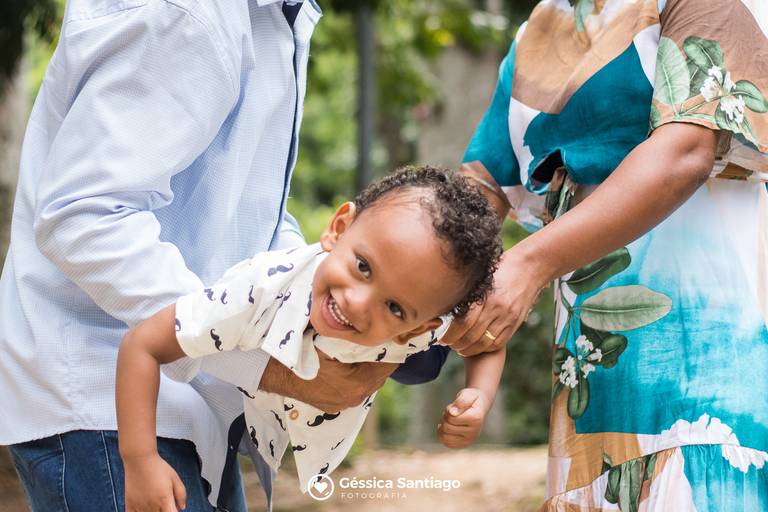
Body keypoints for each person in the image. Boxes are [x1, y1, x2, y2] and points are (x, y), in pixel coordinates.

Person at [0, 2, 437, 510]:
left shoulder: (276, 15)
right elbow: (84, 216)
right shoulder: (189, 12)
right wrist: (271, 368)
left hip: (193, 398)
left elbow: (243, 217)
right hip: (104, 404)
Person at [439, 0, 768, 509]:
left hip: (716, 364)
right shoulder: (541, 27)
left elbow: (685, 150)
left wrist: (527, 265)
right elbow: (477, 194)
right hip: (588, 387)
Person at [115, 166, 506, 511]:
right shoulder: (258, 293)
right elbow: (143, 344)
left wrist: (479, 396)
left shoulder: (421, 321)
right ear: (338, 229)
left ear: (419, 327)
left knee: (419, 365)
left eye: (394, 307)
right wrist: (140, 459)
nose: (357, 303)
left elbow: (487, 338)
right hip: (232, 407)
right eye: (363, 267)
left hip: (338, 390)